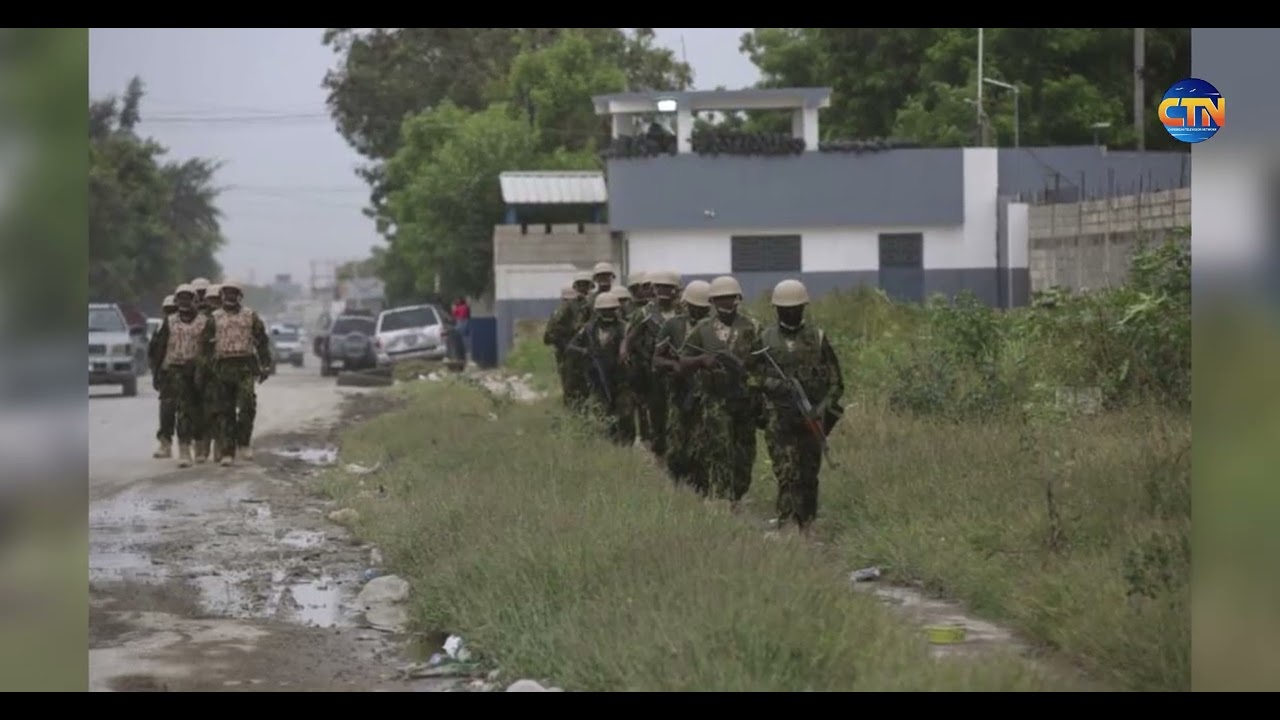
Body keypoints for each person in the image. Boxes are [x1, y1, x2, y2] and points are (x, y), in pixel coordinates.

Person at [756, 279, 845, 534]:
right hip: (778, 418)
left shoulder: (817, 338)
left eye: (796, 308)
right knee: (785, 472)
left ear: (804, 308)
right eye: (785, 308)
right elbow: (750, 377)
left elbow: (837, 383)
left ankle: (807, 523)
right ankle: (786, 524)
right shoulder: (765, 338)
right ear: (776, 309)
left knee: (808, 475)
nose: (791, 312)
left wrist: (822, 409)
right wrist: (774, 385)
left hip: (811, 419)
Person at [678, 275, 764, 508]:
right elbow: (682, 360)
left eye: (730, 298)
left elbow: (765, 363)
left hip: (745, 400)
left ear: (738, 299)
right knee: (718, 449)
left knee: (745, 452)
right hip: (715, 400)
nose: (726, 303)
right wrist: (702, 361)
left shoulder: (753, 327)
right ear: (713, 302)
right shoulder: (702, 329)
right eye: (721, 299)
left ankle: (738, 493)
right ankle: (723, 498)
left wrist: (753, 381)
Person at [201, 280, 272, 466]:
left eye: (234, 293)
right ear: (222, 295)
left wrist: (265, 365)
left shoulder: (250, 316)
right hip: (222, 367)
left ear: (239, 296)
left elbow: (262, 341)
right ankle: (227, 451)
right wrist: (205, 370)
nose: (230, 296)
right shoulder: (214, 318)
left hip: (245, 366)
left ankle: (244, 442)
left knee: (248, 404)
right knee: (225, 411)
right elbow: (205, 347)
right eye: (227, 293)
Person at [652, 279, 711, 492]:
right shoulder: (673, 325)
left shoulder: (714, 327)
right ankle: (676, 483)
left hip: (706, 392)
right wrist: (675, 365)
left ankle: (700, 488)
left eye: (703, 309)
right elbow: (656, 359)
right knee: (676, 443)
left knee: (702, 444)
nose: (698, 312)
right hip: (679, 389)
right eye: (694, 307)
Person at [622, 270, 681, 457]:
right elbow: (629, 337)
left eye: (668, 287)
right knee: (657, 413)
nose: (663, 291)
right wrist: (625, 354)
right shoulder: (645, 313)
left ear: (676, 290)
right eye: (659, 287)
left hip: (683, 369)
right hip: (654, 370)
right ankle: (659, 451)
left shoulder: (683, 311)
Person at [149, 284, 209, 467]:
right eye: (181, 298)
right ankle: (181, 448)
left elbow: (209, 348)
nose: (184, 302)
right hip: (173, 369)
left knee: (195, 408)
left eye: (188, 298)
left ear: (195, 301)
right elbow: (159, 347)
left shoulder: (204, 322)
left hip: (196, 369)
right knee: (172, 407)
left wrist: (206, 370)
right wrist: (157, 371)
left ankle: (198, 444)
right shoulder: (170, 321)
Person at [566, 291, 634, 446]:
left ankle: (626, 447)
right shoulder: (588, 329)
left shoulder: (625, 328)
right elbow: (571, 347)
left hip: (621, 379)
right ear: (598, 311)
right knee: (602, 415)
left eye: (611, 309)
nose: (608, 313)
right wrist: (585, 352)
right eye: (604, 310)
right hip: (597, 379)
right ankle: (608, 446)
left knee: (625, 415)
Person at [194, 282, 223, 463]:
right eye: (210, 299)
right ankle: (202, 449)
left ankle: (220, 448)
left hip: (225, 368)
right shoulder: (200, 317)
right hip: (205, 368)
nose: (213, 303)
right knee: (203, 411)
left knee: (222, 411)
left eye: (216, 300)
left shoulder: (229, 316)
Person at [149, 293, 179, 459]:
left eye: (173, 310)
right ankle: (165, 443)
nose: (171, 314)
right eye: (168, 310)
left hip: (189, 371)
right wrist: (156, 373)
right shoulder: (162, 327)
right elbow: (155, 352)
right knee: (167, 408)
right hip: (168, 371)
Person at [451, 297, 471, 362]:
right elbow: (468, 314)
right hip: (466, 321)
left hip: (460, 321)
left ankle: (463, 352)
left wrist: (453, 309)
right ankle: (468, 352)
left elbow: (454, 315)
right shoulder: (466, 307)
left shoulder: (458, 308)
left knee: (460, 336)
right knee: (466, 336)